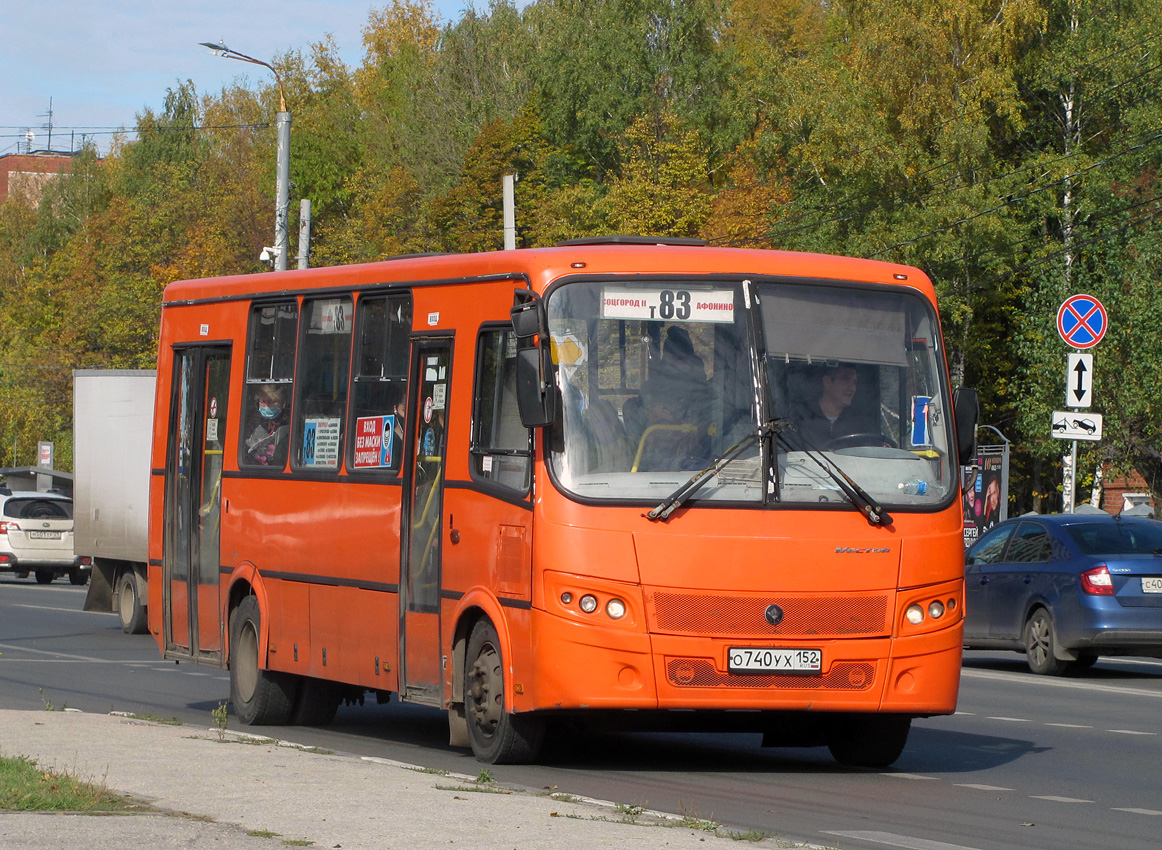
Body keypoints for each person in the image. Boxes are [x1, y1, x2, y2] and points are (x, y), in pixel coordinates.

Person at [791, 363, 862, 448]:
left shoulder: (858, 424)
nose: (852, 388)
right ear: (827, 381)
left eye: (854, 382)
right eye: (846, 379)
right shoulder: (800, 418)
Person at [245, 384, 290, 467]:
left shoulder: (290, 421)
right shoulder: (253, 421)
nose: (266, 406)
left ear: (283, 403)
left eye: (271, 401)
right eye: (262, 402)